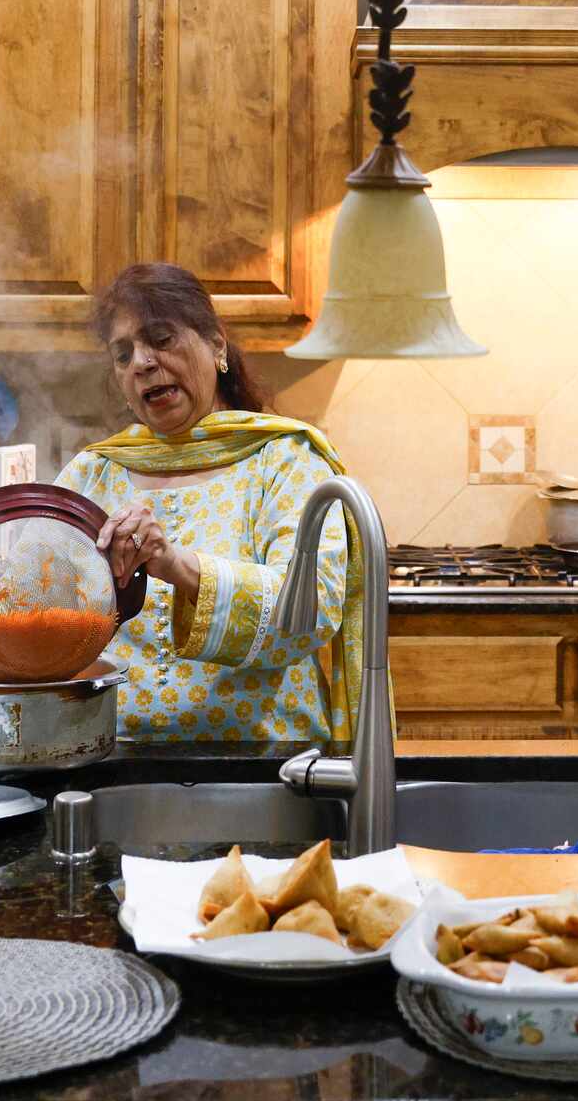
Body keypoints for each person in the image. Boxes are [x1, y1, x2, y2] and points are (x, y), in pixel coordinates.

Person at [56, 263, 358, 742]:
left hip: (262, 771)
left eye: (161, 338)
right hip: (112, 766)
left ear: (217, 345)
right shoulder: (92, 475)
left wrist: (178, 565)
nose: (141, 362)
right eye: (123, 353)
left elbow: (310, 612)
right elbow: (41, 611)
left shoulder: (282, 464)